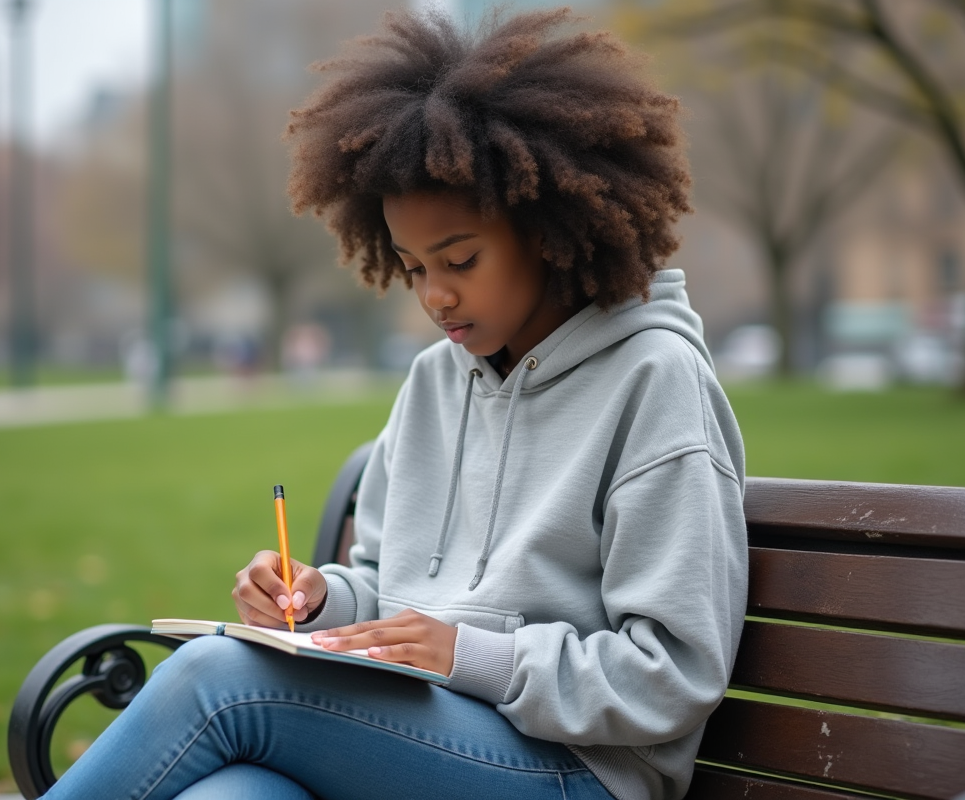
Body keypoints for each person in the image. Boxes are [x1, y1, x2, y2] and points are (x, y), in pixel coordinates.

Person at [43, 9, 747, 800]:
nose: (435, 296)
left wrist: (467, 654)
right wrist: (320, 601)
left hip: (575, 770)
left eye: (461, 260)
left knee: (215, 679)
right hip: (423, 738)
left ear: (550, 231)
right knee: (231, 796)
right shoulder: (436, 381)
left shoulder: (655, 381)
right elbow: (387, 585)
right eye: (413, 267)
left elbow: (673, 672)